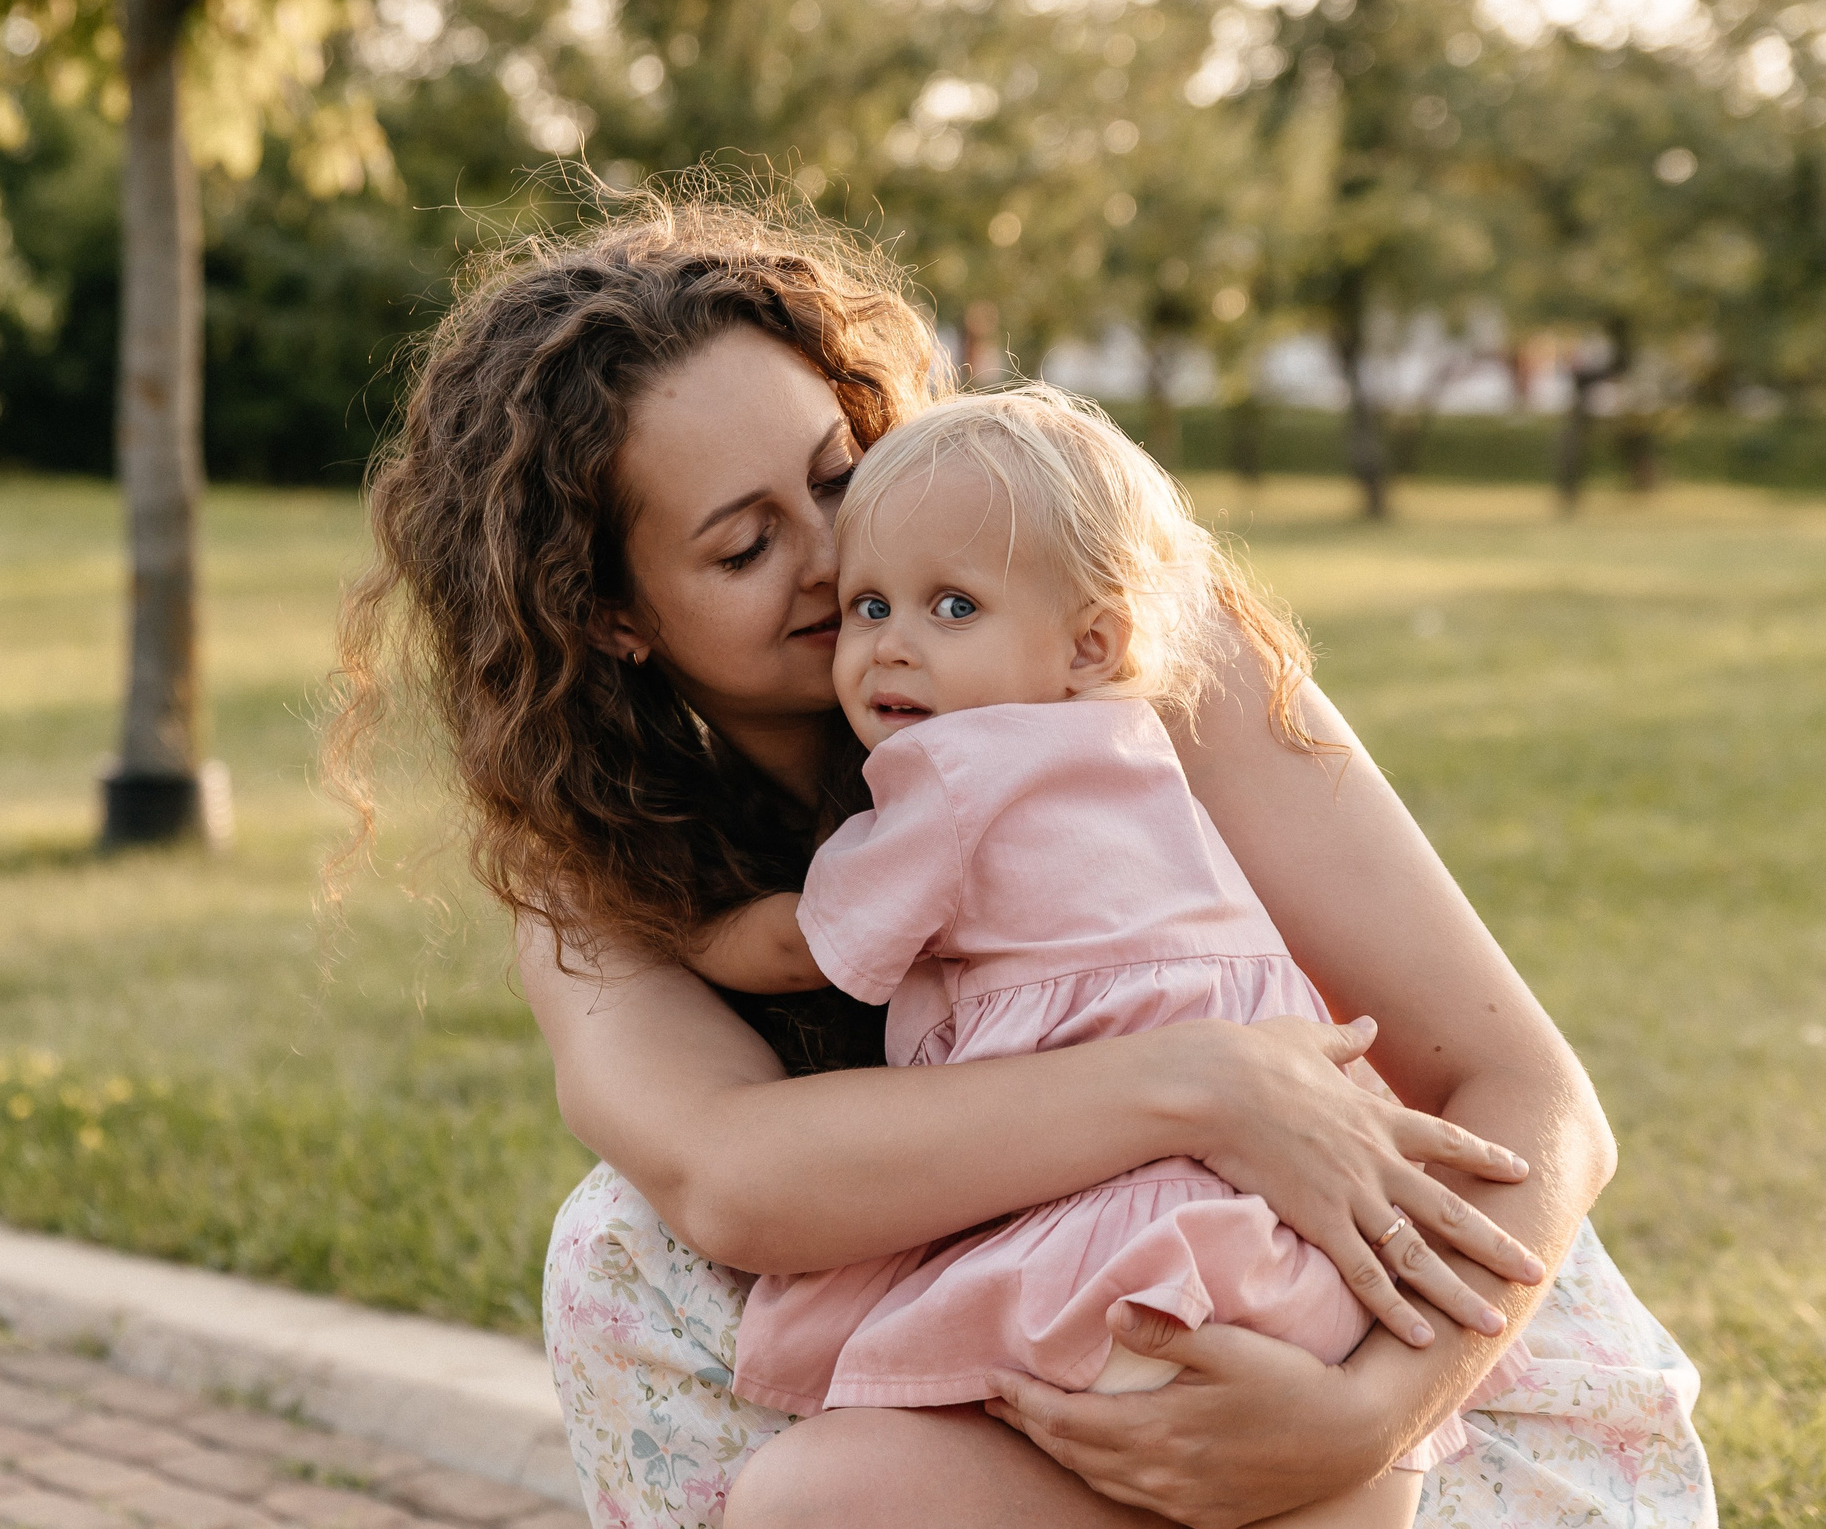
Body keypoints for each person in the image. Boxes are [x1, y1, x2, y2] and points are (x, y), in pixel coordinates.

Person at [326, 192, 1714, 1529]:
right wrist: (1195, 1084)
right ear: (613, 617)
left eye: (836, 475)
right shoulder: (605, 865)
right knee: (620, 1249)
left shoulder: (1116, 641)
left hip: (1402, 1368)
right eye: (748, 546)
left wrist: (1367, 1419)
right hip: (1051, 1412)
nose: (835, 559)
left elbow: (1533, 1095)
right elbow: (728, 1175)